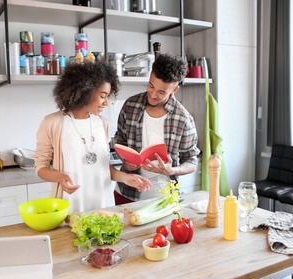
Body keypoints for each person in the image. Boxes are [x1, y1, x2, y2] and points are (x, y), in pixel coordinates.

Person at [34, 62, 151, 213]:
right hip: (72, 204)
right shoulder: (52, 123)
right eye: (103, 96)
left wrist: (125, 178)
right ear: (85, 92)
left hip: (104, 203)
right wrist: (61, 178)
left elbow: (103, 168)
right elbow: (40, 167)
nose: (106, 102)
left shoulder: (103, 124)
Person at [112, 53, 200, 204]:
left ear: (174, 90)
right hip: (126, 192)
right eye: (151, 86)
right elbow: (120, 142)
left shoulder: (183, 119)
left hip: (164, 197)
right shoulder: (130, 105)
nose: (153, 95)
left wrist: (173, 170)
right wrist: (124, 160)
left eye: (161, 92)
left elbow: (191, 161)